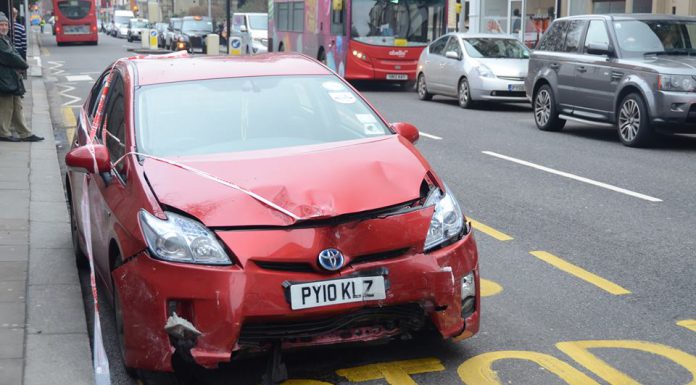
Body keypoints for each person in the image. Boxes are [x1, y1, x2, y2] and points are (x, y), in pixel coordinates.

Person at [0, 12, 43, 142]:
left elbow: (14, 54)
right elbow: (10, 55)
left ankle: (25, 133)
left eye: (5, 24)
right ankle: (3, 133)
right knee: (6, 107)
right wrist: (24, 64)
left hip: (10, 78)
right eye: (0, 25)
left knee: (17, 106)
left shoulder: (4, 39)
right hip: (4, 79)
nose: (3, 27)